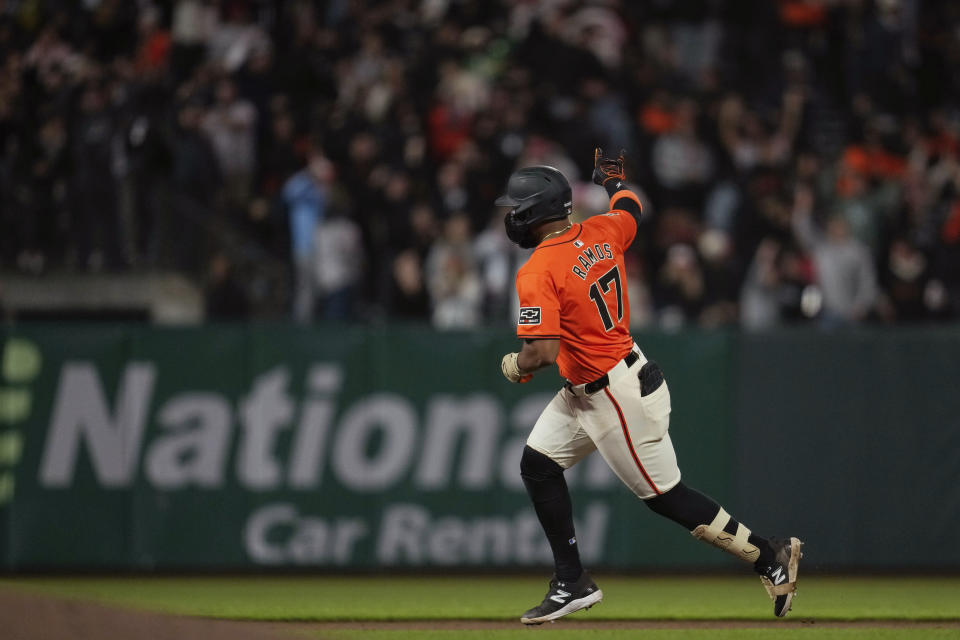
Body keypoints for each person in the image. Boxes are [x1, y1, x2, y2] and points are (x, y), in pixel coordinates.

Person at [496, 149, 803, 625]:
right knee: (537, 465)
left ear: (532, 212)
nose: (510, 216)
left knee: (668, 498)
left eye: (514, 208)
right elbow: (630, 208)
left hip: (613, 396)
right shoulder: (601, 230)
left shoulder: (537, 269)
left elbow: (542, 353)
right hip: (601, 382)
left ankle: (769, 555)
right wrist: (615, 180)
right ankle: (571, 580)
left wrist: (516, 365)